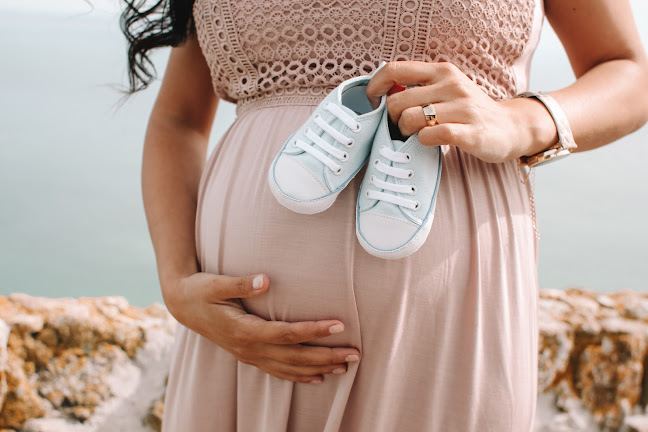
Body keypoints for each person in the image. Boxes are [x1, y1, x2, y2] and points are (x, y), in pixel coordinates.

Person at [121, 0, 648, 430]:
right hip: (237, 340)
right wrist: (176, 283)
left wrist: (523, 120)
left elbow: (630, 71)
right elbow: (179, 119)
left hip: (447, 318)